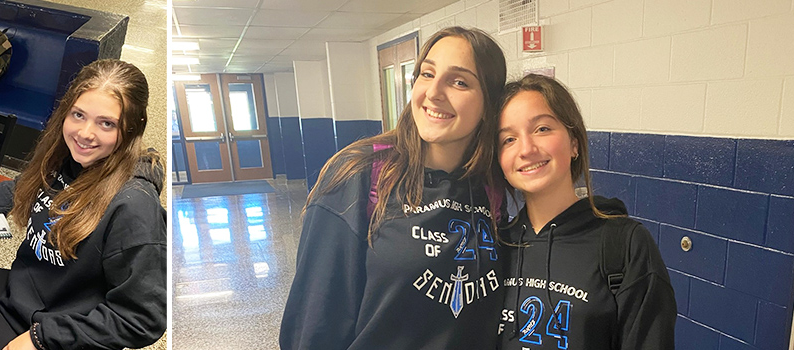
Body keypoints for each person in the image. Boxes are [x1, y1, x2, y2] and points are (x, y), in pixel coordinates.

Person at [0, 59, 166, 350]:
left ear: (132, 127)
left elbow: (143, 317)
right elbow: (25, 189)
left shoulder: (134, 205)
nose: (85, 133)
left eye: (106, 123)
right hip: (28, 293)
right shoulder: (71, 159)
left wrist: (43, 338)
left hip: (56, 326)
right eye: (78, 115)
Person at [279, 26, 509, 349]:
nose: (434, 92)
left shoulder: (492, 187)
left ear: (489, 103)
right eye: (427, 74)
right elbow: (313, 324)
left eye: (459, 81)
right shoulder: (361, 175)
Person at [493, 74, 676, 349]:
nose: (526, 149)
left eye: (542, 129)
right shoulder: (497, 244)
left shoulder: (624, 247)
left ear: (574, 142)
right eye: (509, 139)